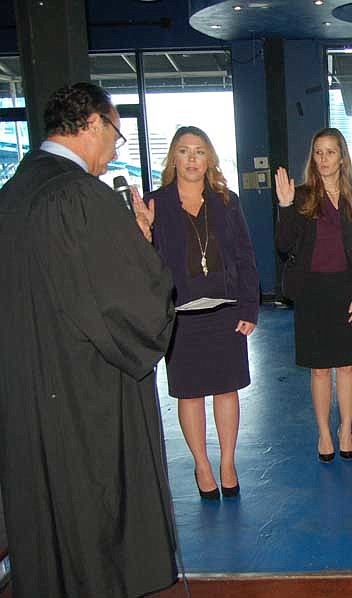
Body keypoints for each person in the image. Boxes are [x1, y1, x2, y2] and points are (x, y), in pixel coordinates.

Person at [0, 83, 177, 596]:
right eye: (117, 137)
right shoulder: (80, 197)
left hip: (27, 391)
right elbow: (135, 305)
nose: (114, 152)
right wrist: (142, 243)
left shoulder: (15, 193)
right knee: (92, 524)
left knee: (46, 522)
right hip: (82, 394)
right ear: (93, 124)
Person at [145, 126, 260, 500]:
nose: (192, 158)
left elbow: (245, 256)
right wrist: (143, 234)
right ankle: (202, 464)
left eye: (199, 151)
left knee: (227, 391)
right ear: (173, 159)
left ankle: (227, 462)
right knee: (189, 395)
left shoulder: (227, 201)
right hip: (180, 316)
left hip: (225, 312)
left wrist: (249, 306)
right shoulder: (156, 204)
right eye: (183, 151)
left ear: (209, 158)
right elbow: (146, 265)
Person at [275, 128, 352, 462]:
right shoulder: (301, 196)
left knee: (347, 367)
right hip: (312, 292)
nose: (323, 159)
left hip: (348, 290)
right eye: (318, 152)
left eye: (330, 152)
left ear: (342, 157)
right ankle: (323, 433)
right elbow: (284, 245)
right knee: (320, 370)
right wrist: (286, 206)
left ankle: (346, 429)